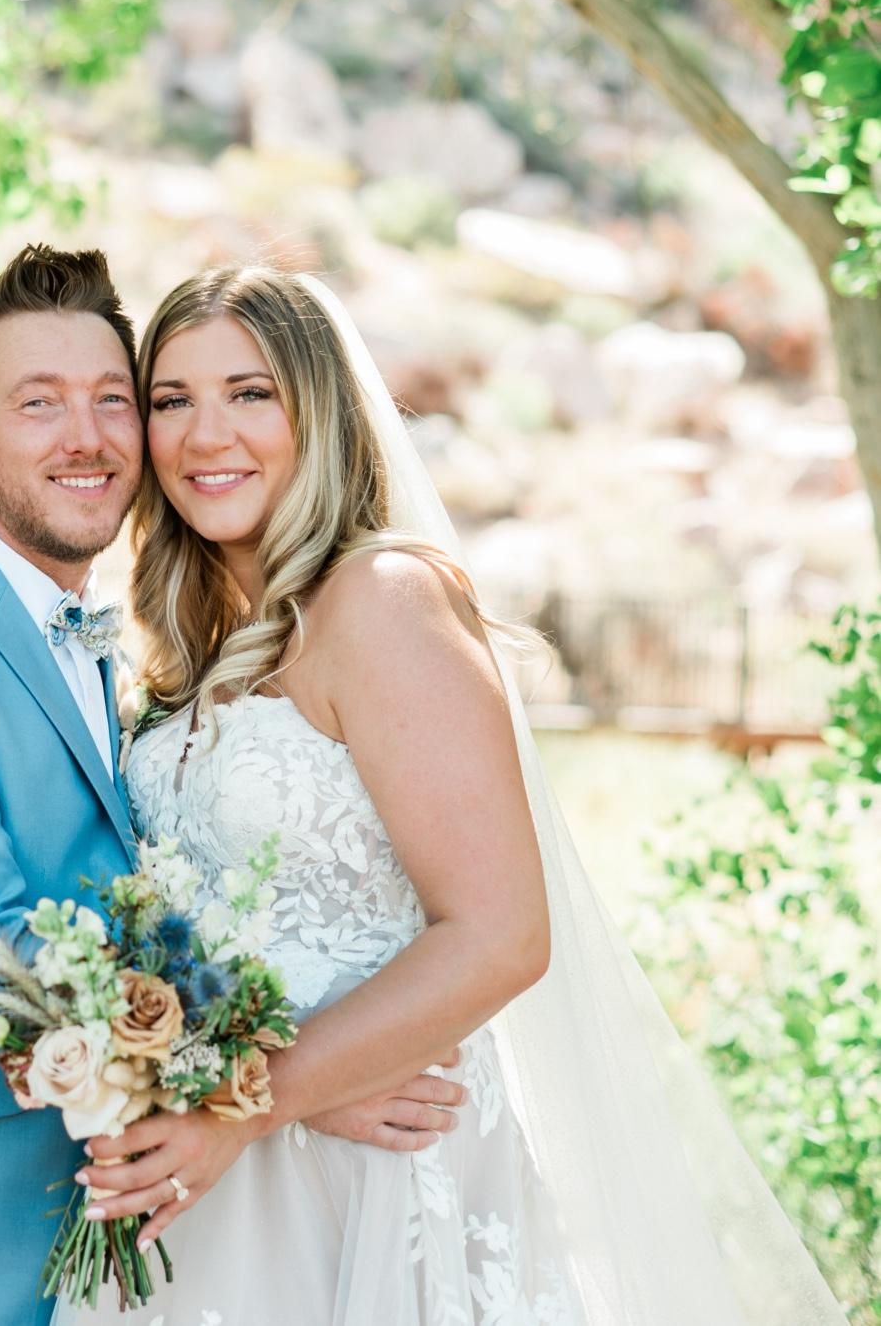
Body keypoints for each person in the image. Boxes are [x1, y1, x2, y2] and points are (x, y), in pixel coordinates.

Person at [61, 265, 850, 1325]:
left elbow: (501, 934)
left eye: (251, 393)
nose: (207, 435)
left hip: (373, 1183)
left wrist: (253, 1104)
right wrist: (225, 1089)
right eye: (172, 399)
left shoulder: (382, 599)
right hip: (232, 1168)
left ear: (320, 412)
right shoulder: (193, 652)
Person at [0, 245, 466, 1326]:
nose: (88, 437)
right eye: (39, 403)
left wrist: (286, 1088)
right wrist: (272, 1092)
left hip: (94, 1230)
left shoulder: (117, 644)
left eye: (114, 399)